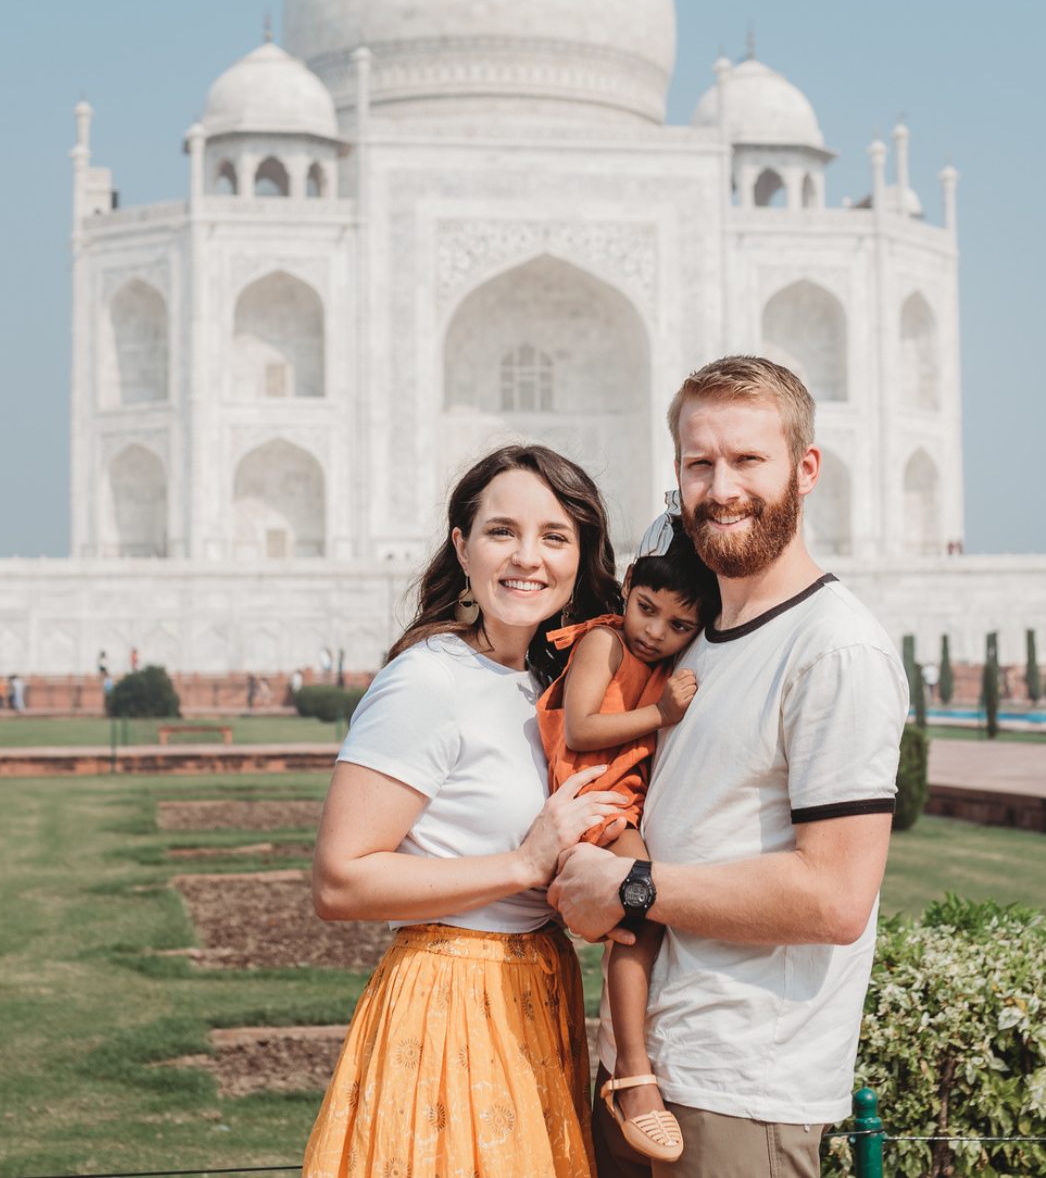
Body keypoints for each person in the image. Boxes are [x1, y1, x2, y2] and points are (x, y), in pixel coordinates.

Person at [551, 356, 905, 1178]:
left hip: (742, 1091)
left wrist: (631, 887)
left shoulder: (834, 649)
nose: (722, 487)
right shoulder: (695, 638)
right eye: (699, 463)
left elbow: (835, 897)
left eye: (748, 460)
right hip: (641, 1075)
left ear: (805, 469)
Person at [306, 444, 631, 1178]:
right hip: (449, 1002)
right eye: (501, 532)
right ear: (462, 545)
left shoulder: (545, 680)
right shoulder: (429, 681)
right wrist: (523, 861)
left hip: (535, 991)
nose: (528, 558)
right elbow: (339, 882)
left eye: (554, 537)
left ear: (582, 556)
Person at [538, 502, 716, 1163]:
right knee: (645, 906)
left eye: (679, 625)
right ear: (628, 586)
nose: (656, 631)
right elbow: (581, 729)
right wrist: (659, 713)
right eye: (647, 607)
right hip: (592, 802)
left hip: (618, 803)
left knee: (638, 923)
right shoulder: (604, 640)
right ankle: (634, 1080)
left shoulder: (658, 657)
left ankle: (627, 1068)